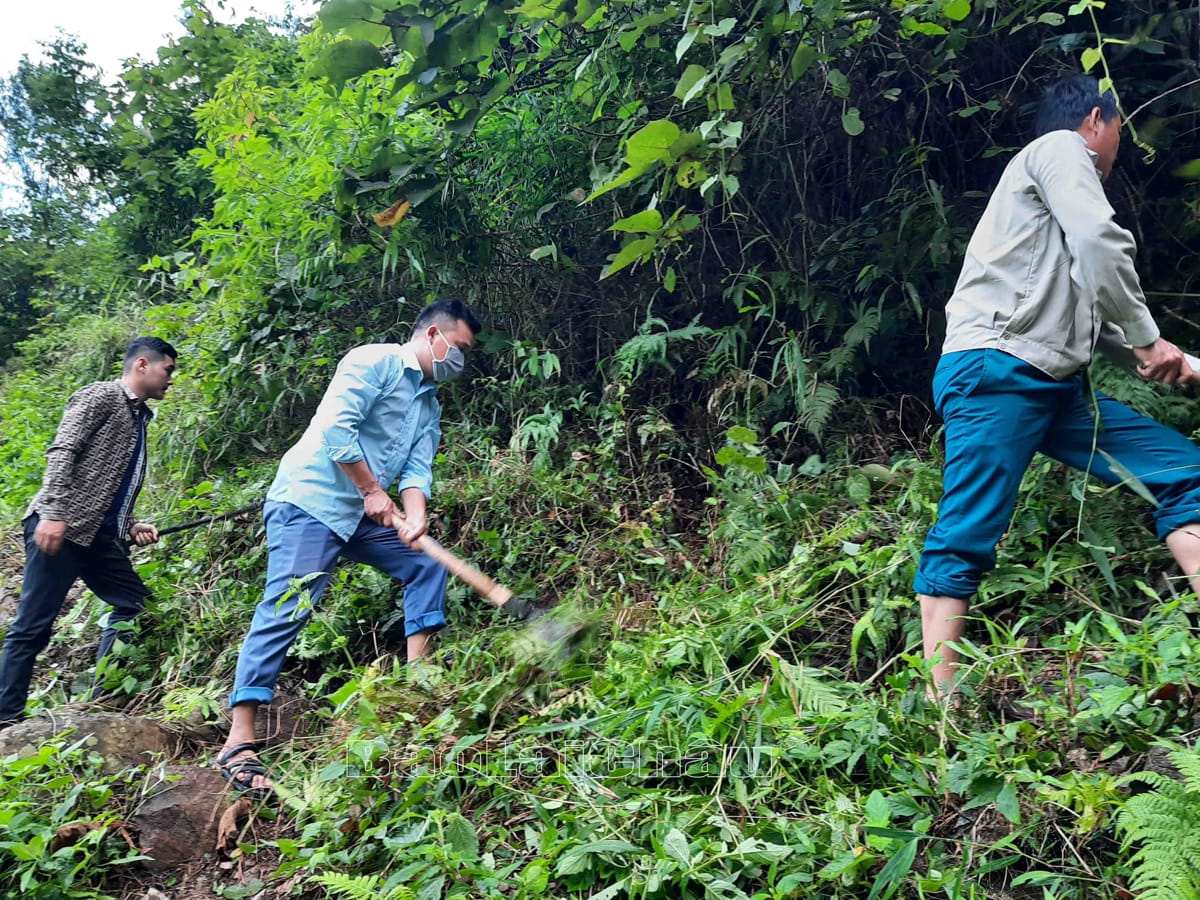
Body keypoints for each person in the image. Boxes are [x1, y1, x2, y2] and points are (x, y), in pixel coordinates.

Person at [914, 75, 1200, 698]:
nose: (1119, 145)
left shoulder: (1053, 202)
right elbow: (1101, 244)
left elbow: (1093, 321)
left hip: (1050, 384)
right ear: (1098, 120)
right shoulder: (1061, 151)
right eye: (1120, 129)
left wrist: (1169, 357)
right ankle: (937, 716)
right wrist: (1151, 338)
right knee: (967, 530)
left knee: (1185, 474)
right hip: (997, 371)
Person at [217, 300, 480, 797]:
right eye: (459, 348)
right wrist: (370, 490)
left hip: (360, 513)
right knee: (289, 605)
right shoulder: (372, 361)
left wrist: (416, 515)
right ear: (431, 336)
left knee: (425, 563)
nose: (460, 361)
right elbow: (338, 429)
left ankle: (420, 686)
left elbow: (418, 469)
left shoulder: (429, 403)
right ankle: (239, 738)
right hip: (311, 501)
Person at [0, 337, 177, 726]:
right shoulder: (100, 396)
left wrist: (129, 524)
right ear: (143, 365)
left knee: (135, 605)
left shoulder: (139, 417)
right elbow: (63, 451)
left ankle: (100, 704)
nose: (171, 380)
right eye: (168, 370)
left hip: (96, 535)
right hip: (61, 529)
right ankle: (6, 720)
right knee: (33, 625)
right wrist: (53, 512)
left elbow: (109, 482)